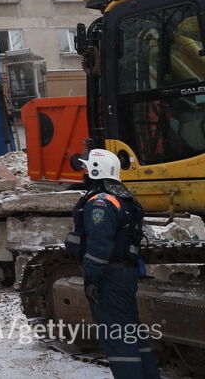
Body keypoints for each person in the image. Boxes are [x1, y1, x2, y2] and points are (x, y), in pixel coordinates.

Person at [67, 149, 159, 379]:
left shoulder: (101, 202)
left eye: (86, 169)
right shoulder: (121, 197)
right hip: (124, 273)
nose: (84, 173)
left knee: (117, 340)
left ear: (97, 171)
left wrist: (91, 278)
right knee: (132, 333)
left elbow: (99, 247)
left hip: (109, 277)